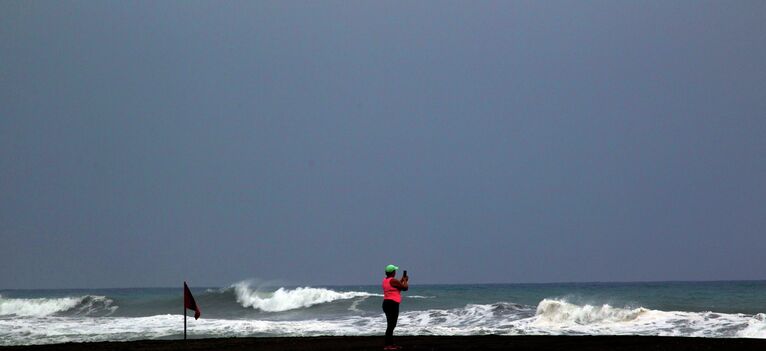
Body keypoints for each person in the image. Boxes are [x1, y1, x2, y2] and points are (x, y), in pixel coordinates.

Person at [382, 264, 408, 350]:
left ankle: (389, 344)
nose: (395, 272)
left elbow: (397, 286)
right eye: (395, 271)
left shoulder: (385, 280)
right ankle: (388, 345)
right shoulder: (393, 280)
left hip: (386, 303)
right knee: (391, 325)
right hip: (392, 304)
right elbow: (405, 288)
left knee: (390, 325)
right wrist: (405, 280)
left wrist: (402, 280)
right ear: (393, 272)